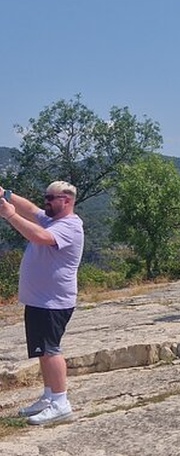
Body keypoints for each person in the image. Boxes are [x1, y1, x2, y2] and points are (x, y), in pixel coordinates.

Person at [0, 181, 83, 426]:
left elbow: (40, 236)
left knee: (50, 351)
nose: (45, 201)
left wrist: (10, 215)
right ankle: (49, 397)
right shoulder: (52, 219)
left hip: (53, 302)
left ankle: (60, 403)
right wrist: (6, 194)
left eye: (51, 197)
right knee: (43, 352)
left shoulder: (70, 226)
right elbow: (31, 209)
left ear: (66, 200)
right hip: (41, 301)